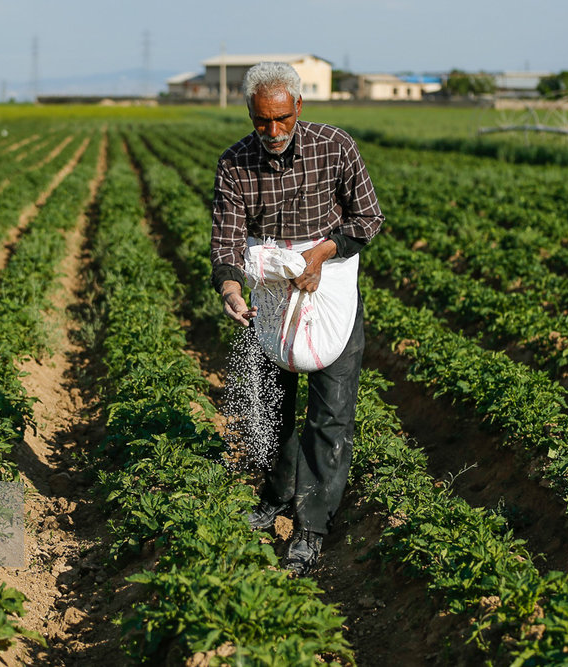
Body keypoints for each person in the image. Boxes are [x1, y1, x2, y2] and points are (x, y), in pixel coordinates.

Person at [210, 61, 384, 576]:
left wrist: (325, 250)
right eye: (262, 121)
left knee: (330, 411)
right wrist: (231, 289)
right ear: (249, 113)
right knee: (273, 406)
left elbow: (369, 219)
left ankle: (311, 526)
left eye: (282, 119)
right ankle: (276, 493)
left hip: (328, 289)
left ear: (298, 108)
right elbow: (225, 240)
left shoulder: (336, 147)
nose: (273, 132)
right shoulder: (235, 163)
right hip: (269, 295)